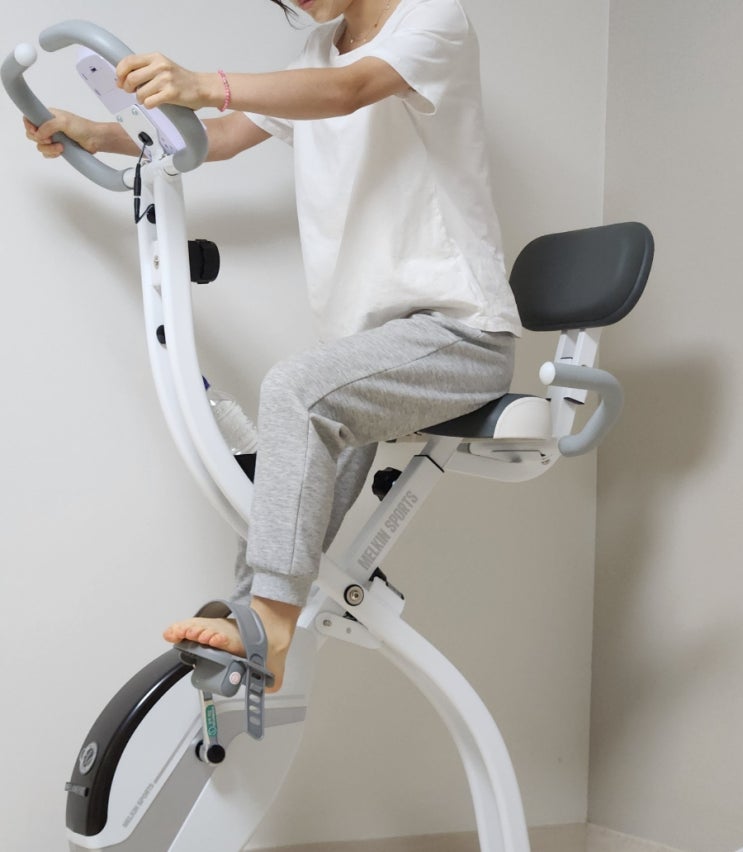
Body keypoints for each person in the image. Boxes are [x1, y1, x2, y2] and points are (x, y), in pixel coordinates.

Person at [25, 0, 521, 692]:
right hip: (376, 344)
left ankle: (269, 626)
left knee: (296, 392)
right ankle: (249, 620)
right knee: (287, 462)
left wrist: (206, 82)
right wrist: (100, 134)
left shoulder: (432, 19)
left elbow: (348, 91)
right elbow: (222, 137)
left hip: (460, 333)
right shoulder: (317, 52)